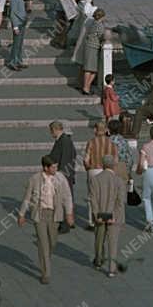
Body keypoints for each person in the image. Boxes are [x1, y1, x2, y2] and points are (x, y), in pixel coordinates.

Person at [18, 156, 75, 284]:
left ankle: (46, 260)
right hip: (40, 214)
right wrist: (21, 214)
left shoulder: (60, 178)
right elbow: (27, 197)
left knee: (52, 242)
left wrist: (69, 213)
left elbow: (67, 196)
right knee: (43, 243)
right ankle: (46, 273)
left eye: (56, 166)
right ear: (45, 168)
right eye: (53, 167)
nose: (56, 169)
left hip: (55, 214)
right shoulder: (35, 179)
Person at [89, 154, 125, 277]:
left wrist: (96, 214)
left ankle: (98, 261)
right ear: (114, 166)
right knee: (113, 242)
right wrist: (114, 216)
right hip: (113, 215)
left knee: (99, 240)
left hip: (100, 213)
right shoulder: (119, 180)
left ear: (102, 165)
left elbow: (93, 199)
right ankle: (111, 269)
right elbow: (120, 202)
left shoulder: (95, 179)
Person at [83, 120, 116, 228]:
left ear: (96, 130)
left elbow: (86, 159)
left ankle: (92, 221)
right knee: (106, 196)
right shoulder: (111, 143)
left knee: (92, 196)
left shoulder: (91, 142)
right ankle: (105, 218)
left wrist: (88, 168)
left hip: (94, 170)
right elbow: (116, 160)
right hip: (107, 171)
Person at [72, 7, 106, 96]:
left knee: (87, 67)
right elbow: (102, 36)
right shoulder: (100, 25)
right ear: (102, 16)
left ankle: (83, 85)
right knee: (92, 69)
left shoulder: (92, 23)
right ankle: (86, 87)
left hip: (88, 45)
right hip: (93, 47)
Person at [48, 121, 78, 213]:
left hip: (64, 174)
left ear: (55, 129)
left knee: (65, 197)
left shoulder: (64, 140)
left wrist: (61, 175)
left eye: (51, 130)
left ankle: (67, 219)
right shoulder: (63, 140)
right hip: (63, 173)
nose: (50, 133)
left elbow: (65, 159)